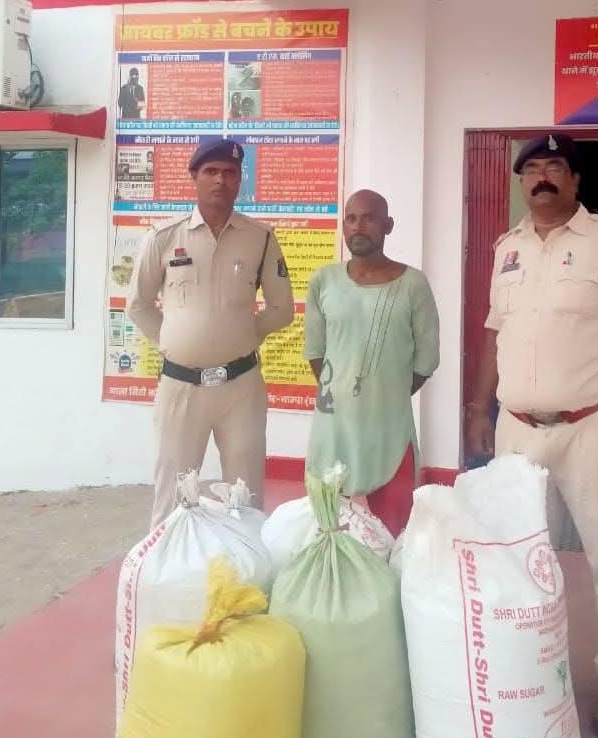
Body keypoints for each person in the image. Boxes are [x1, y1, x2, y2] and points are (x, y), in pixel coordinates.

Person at [466, 133, 598, 738]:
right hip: (519, 429)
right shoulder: (507, 249)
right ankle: (529, 666)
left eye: (554, 166)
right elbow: (495, 334)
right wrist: (478, 408)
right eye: (531, 169)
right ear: (521, 183)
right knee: (521, 556)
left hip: (596, 426)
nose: (542, 177)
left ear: (575, 180)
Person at [129, 139, 294, 528]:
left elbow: (281, 309)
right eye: (211, 171)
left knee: (246, 494)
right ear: (195, 177)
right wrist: (176, 342)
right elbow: (138, 305)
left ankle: (245, 563)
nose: (221, 180)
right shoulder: (164, 237)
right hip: (181, 386)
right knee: (173, 495)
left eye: (230, 172)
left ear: (240, 180)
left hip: (241, 387)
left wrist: (242, 335)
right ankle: (168, 563)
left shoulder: (260, 237)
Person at [303, 190, 440, 536]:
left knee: (395, 533)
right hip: (334, 426)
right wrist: (343, 392)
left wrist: (383, 393)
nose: (358, 226)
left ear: (388, 225)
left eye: (369, 218)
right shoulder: (324, 280)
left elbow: (426, 360)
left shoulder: (413, 284)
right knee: (329, 531)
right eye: (351, 218)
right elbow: (315, 352)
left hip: (389, 427)